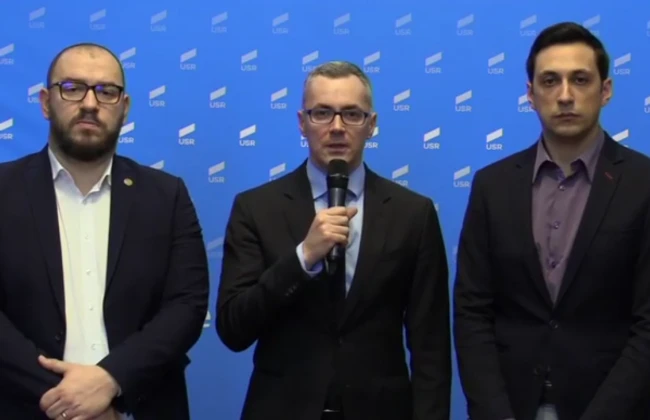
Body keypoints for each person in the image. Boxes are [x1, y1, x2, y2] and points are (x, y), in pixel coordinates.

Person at [216, 61, 451, 420]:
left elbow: (431, 346)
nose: (337, 127)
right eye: (322, 113)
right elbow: (234, 328)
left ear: (371, 124)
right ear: (302, 122)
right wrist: (302, 257)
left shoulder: (413, 214)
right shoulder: (256, 208)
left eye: (352, 114)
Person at [0, 43, 209, 420]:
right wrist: (69, 398)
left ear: (124, 107)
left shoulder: (166, 196)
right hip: (25, 406)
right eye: (72, 88)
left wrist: (112, 380)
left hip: (136, 409)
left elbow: (187, 306)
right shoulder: (4, 190)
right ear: (46, 102)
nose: (90, 103)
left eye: (106, 91)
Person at [453, 21, 650, 420]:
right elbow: (472, 311)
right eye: (550, 81)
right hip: (511, 406)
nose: (565, 95)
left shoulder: (643, 183)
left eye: (580, 79)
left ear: (605, 90)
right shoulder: (493, 185)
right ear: (530, 94)